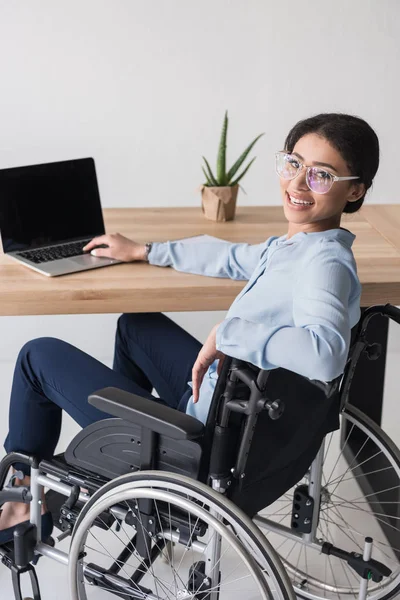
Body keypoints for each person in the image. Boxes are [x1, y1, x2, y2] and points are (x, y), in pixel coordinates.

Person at [0, 112, 380, 543]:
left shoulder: (323, 264)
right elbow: (232, 258)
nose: (297, 183)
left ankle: (17, 503)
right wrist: (144, 250)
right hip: (220, 408)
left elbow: (325, 353)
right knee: (136, 325)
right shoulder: (301, 248)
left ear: (355, 189)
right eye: (294, 164)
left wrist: (229, 332)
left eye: (321, 176)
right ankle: (125, 467)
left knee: (37, 355)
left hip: (200, 445)